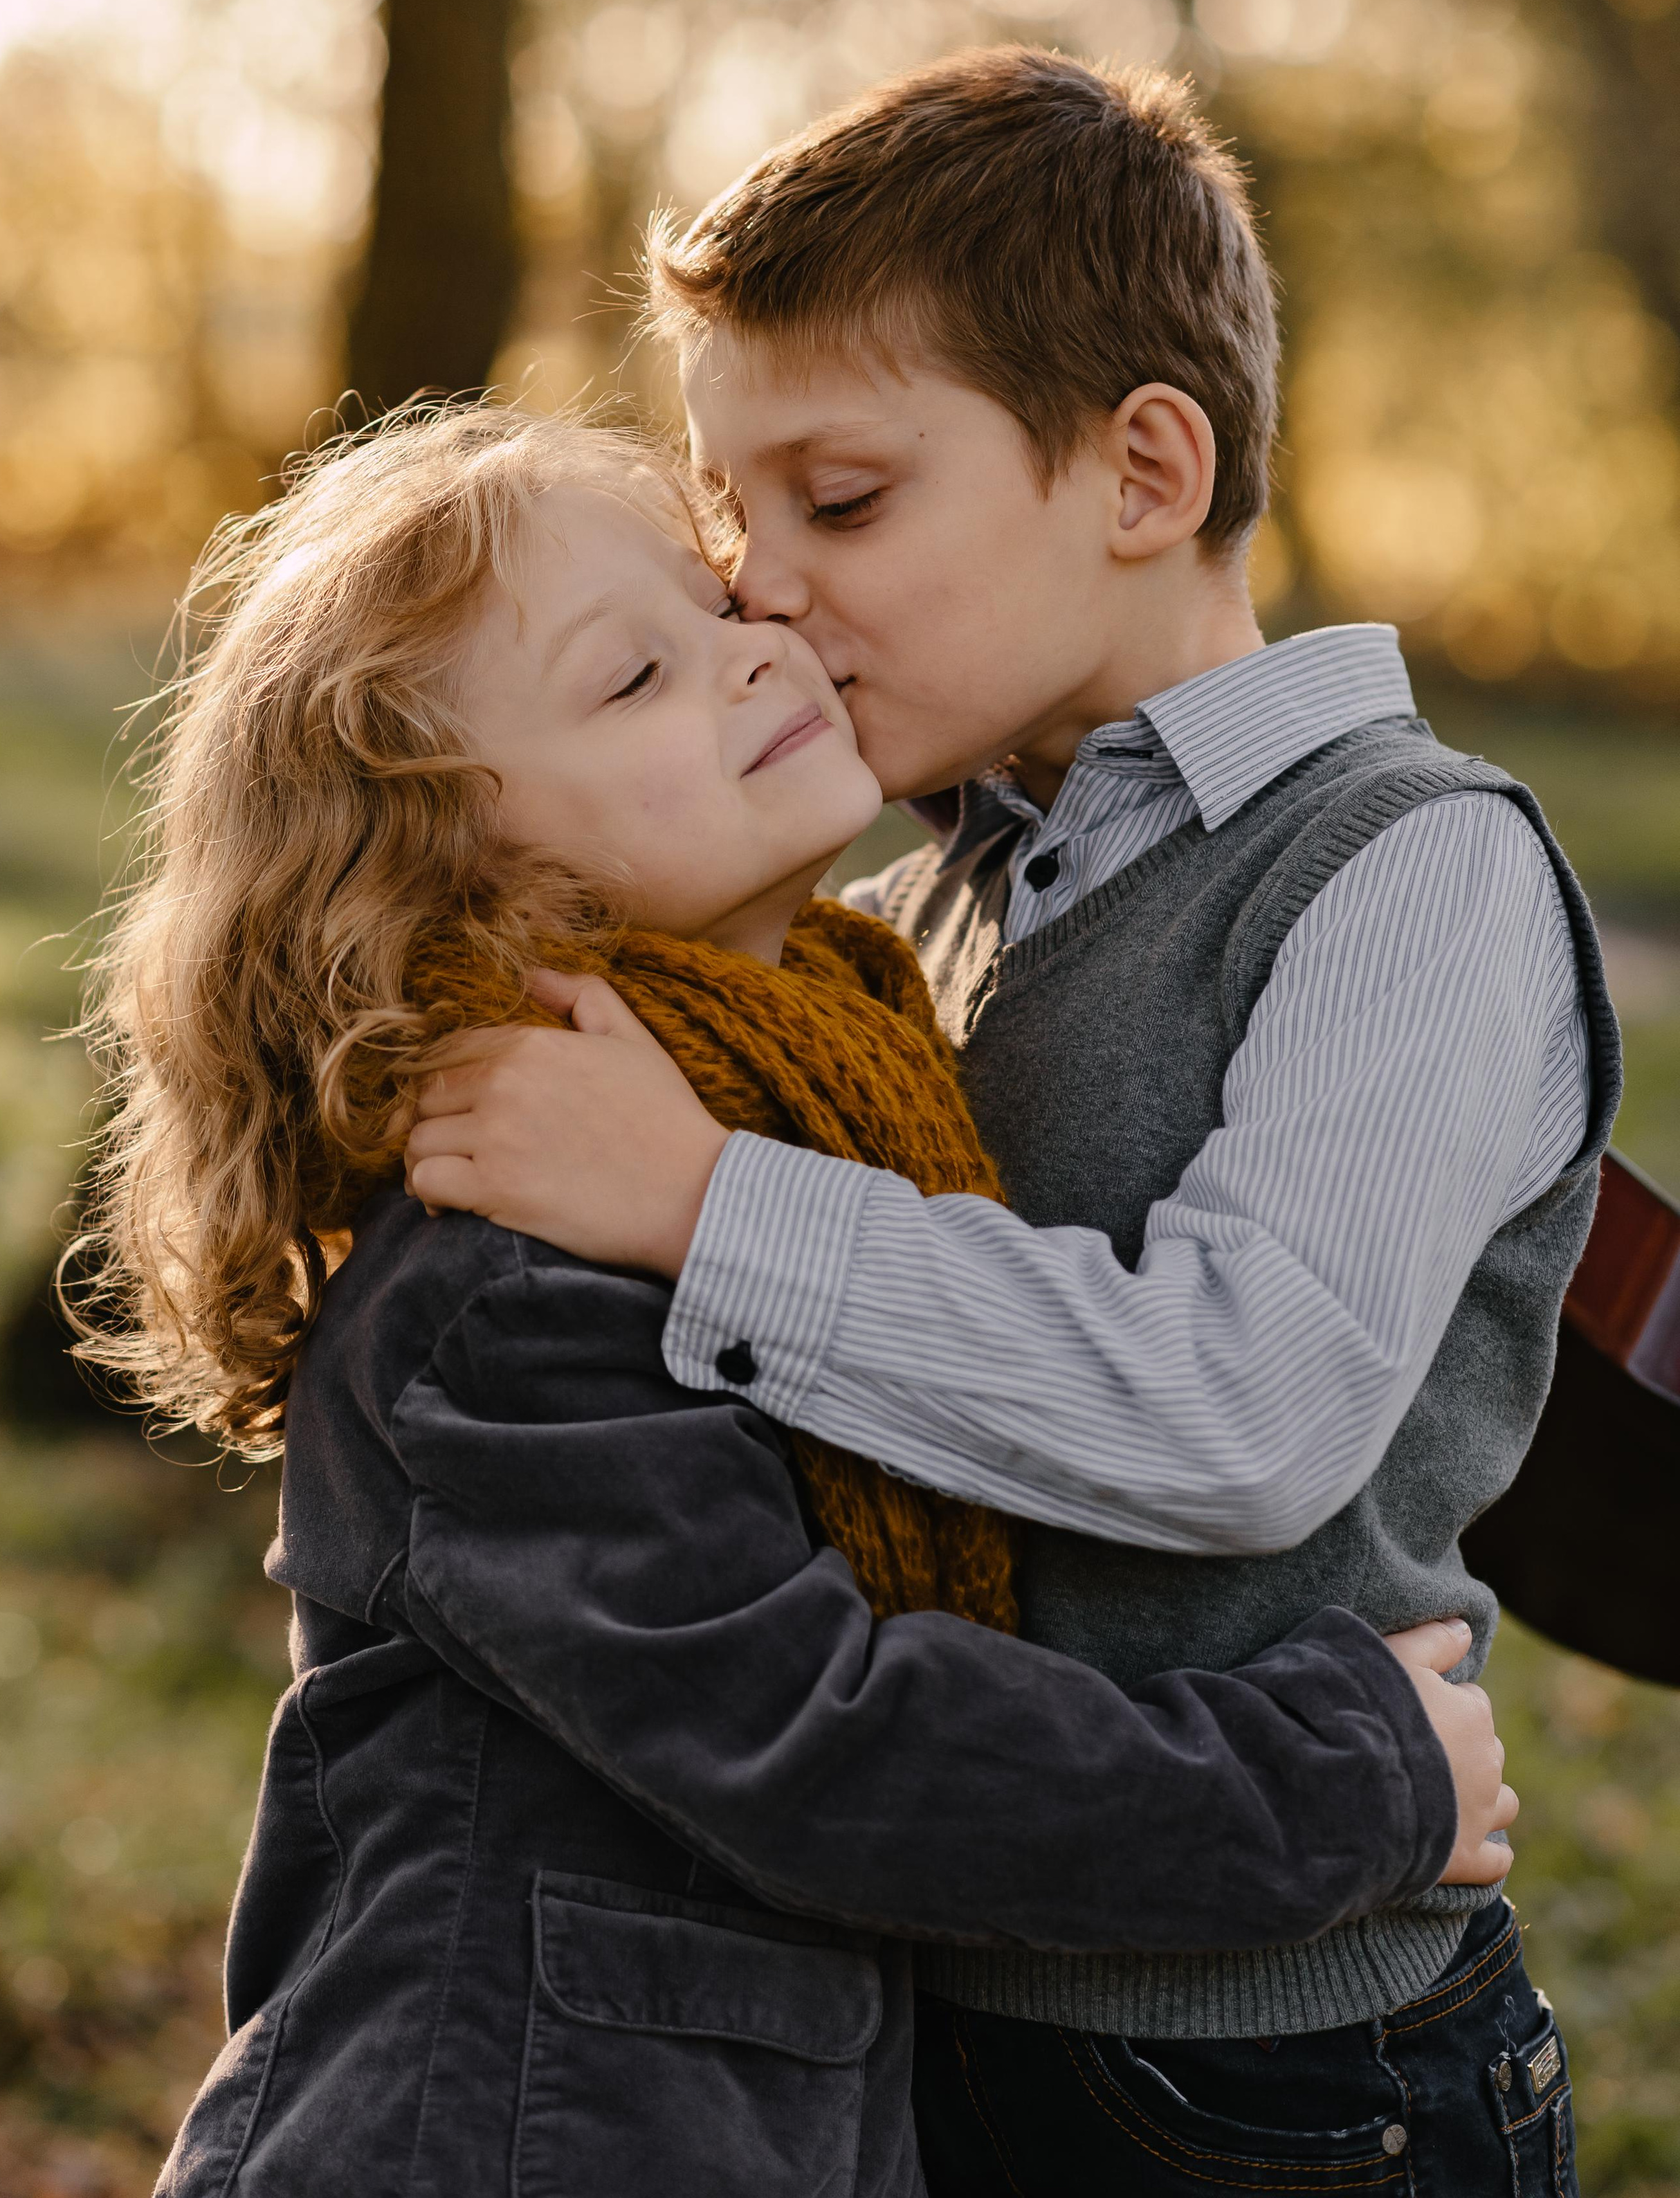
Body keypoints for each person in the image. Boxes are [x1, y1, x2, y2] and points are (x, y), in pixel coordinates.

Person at [404, 51, 1620, 2192]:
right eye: (729, 523)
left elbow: (1245, 1412)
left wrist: (705, 1202)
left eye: (842, 503)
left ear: (1145, 469)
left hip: (1281, 2071)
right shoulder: (908, 910)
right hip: (903, 2020)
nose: (758, 588)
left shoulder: (1410, 872)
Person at [77, 403, 1509, 2198]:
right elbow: (831, 1746)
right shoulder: (503, 1276)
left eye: (718, 603)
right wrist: (1350, 1776)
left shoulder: (822, 1091)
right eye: (633, 678)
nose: (762, 646)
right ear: (464, 886)